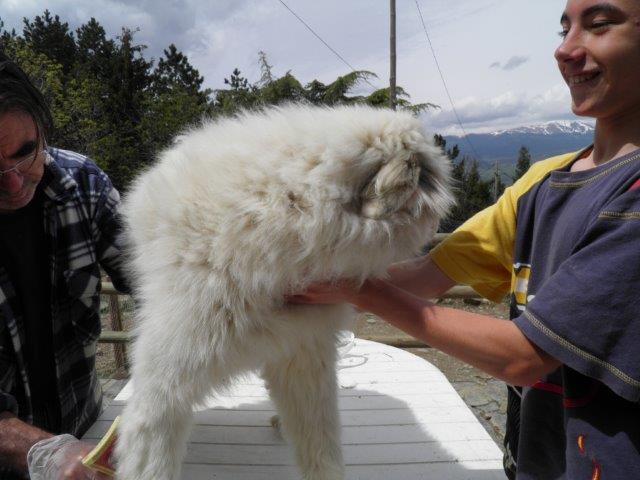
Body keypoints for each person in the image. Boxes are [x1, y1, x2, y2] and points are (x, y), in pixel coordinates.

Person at [288, 0, 640, 478]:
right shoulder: (542, 181)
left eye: (599, 26)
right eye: (564, 29)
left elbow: (522, 358)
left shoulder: (631, 196)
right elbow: (423, 276)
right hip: (538, 458)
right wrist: (302, 280)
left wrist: (359, 289)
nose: (566, 49)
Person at [0, 51, 129, 479]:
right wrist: (43, 452)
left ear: (42, 129)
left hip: (84, 432)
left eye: (26, 152)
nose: (15, 182)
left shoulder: (85, 186)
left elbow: (157, 278)